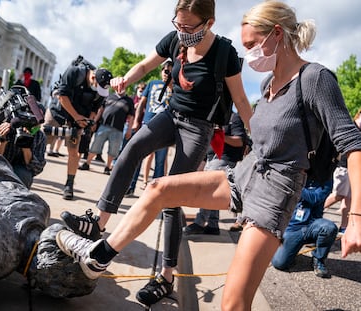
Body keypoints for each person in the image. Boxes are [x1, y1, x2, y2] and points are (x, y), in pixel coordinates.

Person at [56, 1, 361, 309]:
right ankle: (97, 257)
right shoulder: (269, 82)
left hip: (275, 193)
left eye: (253, 45)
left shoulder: (315, 78)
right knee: (158, 189)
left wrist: (357, 219)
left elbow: (353, 144)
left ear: (277, 34)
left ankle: (162, 274)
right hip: (245, 175)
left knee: (233, 302)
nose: (249, 55)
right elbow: (257, 129)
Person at [60, 0, 252, 306]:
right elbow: (146, 65)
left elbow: (241, 99)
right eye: (179, 24)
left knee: (171, 197)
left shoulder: (224, 53)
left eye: (190, 27)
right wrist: (126, 78)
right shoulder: (174, 38)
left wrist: (257, 138)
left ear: (210, 23)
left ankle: (166, 276)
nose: (183, 32)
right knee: (132, 147)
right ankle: (99, 221)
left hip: (199, 127)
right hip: (171, 115)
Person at [49, 56, 112, 200]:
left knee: (73, 151)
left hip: (77, 118)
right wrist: (76, 116)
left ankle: (69, 185)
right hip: (58, 112)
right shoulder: (75, 73)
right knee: (42, 138)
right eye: (99, 86)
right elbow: (62, 96)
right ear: (93, 76)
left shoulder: (100, 89)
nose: (99, 91)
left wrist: (88, 121)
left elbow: (95, 108)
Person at [183, 112, 246, 235]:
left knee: (209, 190)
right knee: (214, 193)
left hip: (224, 158)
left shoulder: (234, 117)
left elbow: (239, 141)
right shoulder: (213, 118)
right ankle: (213, 225)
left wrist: (222, 137)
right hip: (211, 157)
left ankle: (200, 222)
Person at [125, 60, 174, 196]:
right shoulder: (153, 84)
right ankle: (131, 186)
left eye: (170, 71)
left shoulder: (175, 88)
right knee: (138, 155)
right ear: (161, 71)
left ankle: (154, 194)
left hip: (165, 128)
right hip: (148, 124)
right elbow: (142, 103)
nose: (167, 74)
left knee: (160, 161)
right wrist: (136, 121)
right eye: (165, 71)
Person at [272, 179, 338, 278]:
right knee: (279, 264)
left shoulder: (326, 180)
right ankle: (290, 250)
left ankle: (318, 259)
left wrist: (295, 185)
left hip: (312, 225)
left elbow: (315, 198)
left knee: (329, 228)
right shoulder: (296, 174)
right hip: (292, 228)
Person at [79, 91, 135, 175]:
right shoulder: (109, 97)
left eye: (123, 86)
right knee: (95, 145)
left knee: (113, 150)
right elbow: (100, 110)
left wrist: (129, 130)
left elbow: (131, 117)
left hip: (118, 129)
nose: (120, 88)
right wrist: (94, 122)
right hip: (104, 125)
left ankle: (108, 167)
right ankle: (87, 163)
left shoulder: (129, 101)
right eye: (119, 86)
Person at [324, 109, 361, 233]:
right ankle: (314, 212)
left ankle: (344, 227)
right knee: (338, 195)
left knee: (348, 199)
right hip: (343, 168)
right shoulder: (351, 127)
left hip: (353, 169)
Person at [0, 119, 47, 189]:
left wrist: (25, 146)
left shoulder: (39, 136)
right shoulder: (0, 127)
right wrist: (2, 141)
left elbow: (37, 168)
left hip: (20, 170)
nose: (35, 127)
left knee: (23, 175)